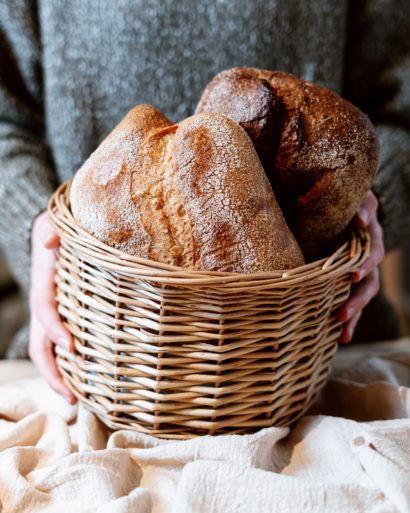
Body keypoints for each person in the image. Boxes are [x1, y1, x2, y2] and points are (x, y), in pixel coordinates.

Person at [0, 0, 408, 404]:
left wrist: (374, 202)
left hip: (322, 359)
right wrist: (35, 221)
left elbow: (402, 111)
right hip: (93, 347)